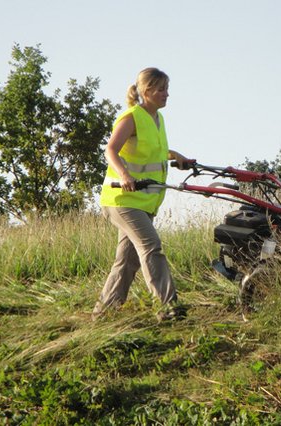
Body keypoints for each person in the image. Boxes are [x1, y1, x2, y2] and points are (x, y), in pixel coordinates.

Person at [93, 67, 192, 321]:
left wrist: (175, 156)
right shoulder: (131, 117)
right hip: (123, 200)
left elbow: (154, 150)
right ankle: (167, 307)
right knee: (151, 246)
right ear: (146, 91)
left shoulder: (157, 119)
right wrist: (125, 175)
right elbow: (111, 150)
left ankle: (103, 314)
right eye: (161, 89)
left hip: (144, 202)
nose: (166, 94)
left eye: (167, 89)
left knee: (127, 262)